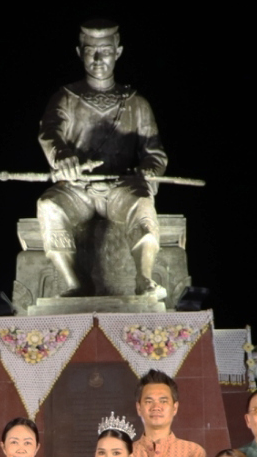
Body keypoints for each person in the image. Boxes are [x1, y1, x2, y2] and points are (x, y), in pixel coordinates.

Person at [32, 19, 171, 299]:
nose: (97, 59)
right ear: (79, 52)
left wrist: (148, 172)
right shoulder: (66, 97)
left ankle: (144, 279)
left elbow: (154, 153)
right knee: (48, 206)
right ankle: (75, 283)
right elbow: (49, 134)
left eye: (105, 51)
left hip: (120, 187)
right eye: (90, 50)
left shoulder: (136, 103)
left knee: (142, 205)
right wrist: (63, 159)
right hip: (77, 188)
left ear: (117, 52)